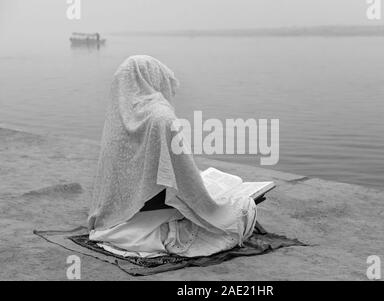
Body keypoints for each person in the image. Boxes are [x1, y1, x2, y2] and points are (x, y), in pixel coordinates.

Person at [87, 55, 257, 258]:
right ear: (155, 80)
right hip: (153, 209)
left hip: (113, 216)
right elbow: (185, 182)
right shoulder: (161, 118)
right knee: (243, 207)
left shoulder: (119, 117)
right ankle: (167, 228)